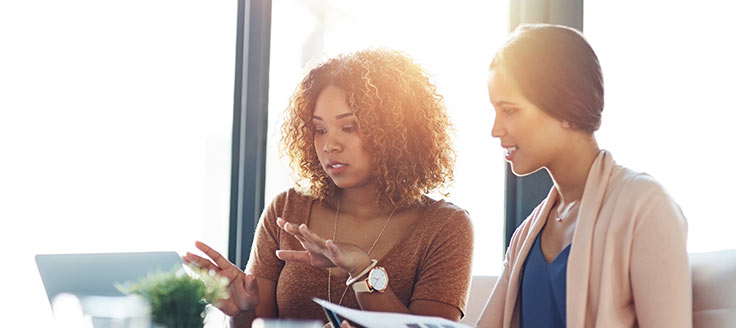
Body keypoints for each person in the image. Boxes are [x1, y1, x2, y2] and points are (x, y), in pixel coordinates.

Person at [183, 48, 474, 327]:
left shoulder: (445, 227)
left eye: (348, 128)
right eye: (319, 130)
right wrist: (241, 312)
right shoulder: (286, 211)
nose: (328, 145)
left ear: (396, 132)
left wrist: (362, 271)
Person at [475, 23, 692, 327]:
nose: (496, 130)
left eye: (509, 110)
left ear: (565, 108)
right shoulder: (525, 236)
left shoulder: (645, 207)